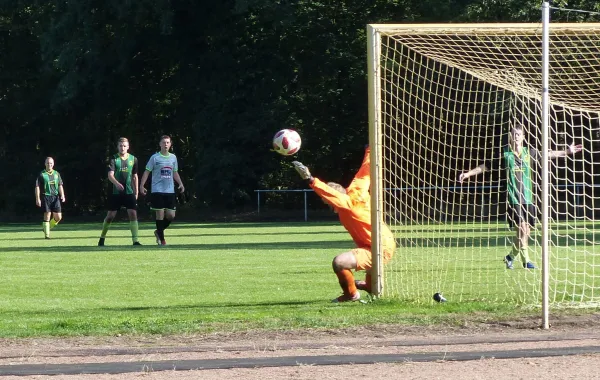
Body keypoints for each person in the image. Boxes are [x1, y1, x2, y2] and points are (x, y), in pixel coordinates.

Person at [458, 125, 583, 269]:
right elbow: (485, 166)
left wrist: (567, 151)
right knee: (522, 230)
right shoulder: (504, 154)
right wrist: (467, 174)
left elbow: (549, 154)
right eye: (513, 134)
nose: (516, 136)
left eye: (519, 134)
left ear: (523, 137)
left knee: (526, 232)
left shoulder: (528, 152)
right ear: (510, 137)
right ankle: (525, 261)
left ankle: (511, 257)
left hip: (528, 198)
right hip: (513, 199)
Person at [292, 146, 397, 303]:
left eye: (328, 202)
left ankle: (351, 295)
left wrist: (311, 180)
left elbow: (333, 196)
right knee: (365, 276)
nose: (329, 205)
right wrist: (370, 149)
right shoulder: (356, 191)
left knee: (339, 262)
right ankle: (368, 286)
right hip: (381, 243)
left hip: (378, 248)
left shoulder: (347, 204)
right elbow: (365, 171)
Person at [139, 135, 185, 246]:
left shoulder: (173, 158)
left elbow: (175, 172)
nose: (165, 144)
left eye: (168, 142)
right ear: (160, 144)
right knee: (159, 214)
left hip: (170, 191)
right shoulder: (155, 158)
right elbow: (147, 171)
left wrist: (180, 183)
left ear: (170, 144)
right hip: (157, 190)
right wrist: (141, 185)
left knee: (171, 215)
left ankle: (158, 231)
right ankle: (162, 240)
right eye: (163, 142)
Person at [98, 137, 141, 246]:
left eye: (124, 146)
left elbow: (135, 176)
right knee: (110, 216)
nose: (122, 148)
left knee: (133, 214)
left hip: (129, 191)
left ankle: (135, 240)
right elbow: (110, 175)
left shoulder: (133, 159)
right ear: (117, 147)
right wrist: (117, 184)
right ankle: (102, 237)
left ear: (128, 147)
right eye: (120, 146)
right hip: (115, 192)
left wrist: (136, 192)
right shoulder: (113, 159)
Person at [35, 157, 65, 239]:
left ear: (53, 164)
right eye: (48, 163)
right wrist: (37, 198)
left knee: (58, 217)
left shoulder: (56, 174)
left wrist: (62, 195)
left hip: (55, 197)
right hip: (46, 196)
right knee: (47, 215)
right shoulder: (42, 174)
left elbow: (60, 185)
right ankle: (47, 235)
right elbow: (37, 187)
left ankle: (46, 228)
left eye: (51, 163)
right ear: (45, 164)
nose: (49, 165)